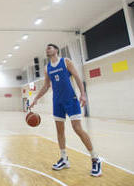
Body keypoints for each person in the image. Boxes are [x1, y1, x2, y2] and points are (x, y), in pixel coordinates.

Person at [29, 44, 102, 177]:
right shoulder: (47, 68)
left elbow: (77, 77)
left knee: (77, 128)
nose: (47, 49)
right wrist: (36, 98)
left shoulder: (65, 61)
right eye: (46, 48)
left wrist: (83, 94)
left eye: (50, 48)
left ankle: (95, 159)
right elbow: (46, 86)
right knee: (60, 131)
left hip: (70, 99)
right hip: (57, 101)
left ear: (56, 50)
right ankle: (64, 158)